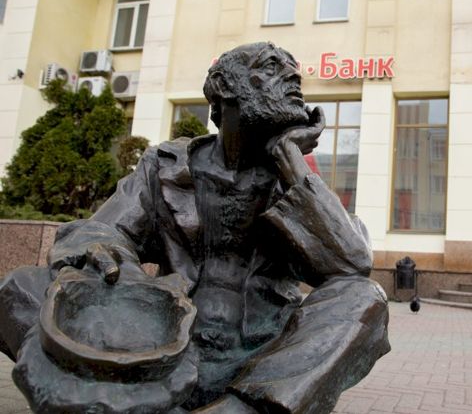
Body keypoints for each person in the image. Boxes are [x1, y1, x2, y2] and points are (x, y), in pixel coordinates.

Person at [0, 42, 390, 413]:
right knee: (19, 288)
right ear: (224, 87)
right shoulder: (166, 165)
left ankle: (238, 409)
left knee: (365, 299)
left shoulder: (294, 179)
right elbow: (102, 231)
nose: (292, 76)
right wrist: (113, 260)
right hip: (165, 347)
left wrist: (289, 157)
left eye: (293, 70)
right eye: (272, 67)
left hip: (262, 361)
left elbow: (352, 263)